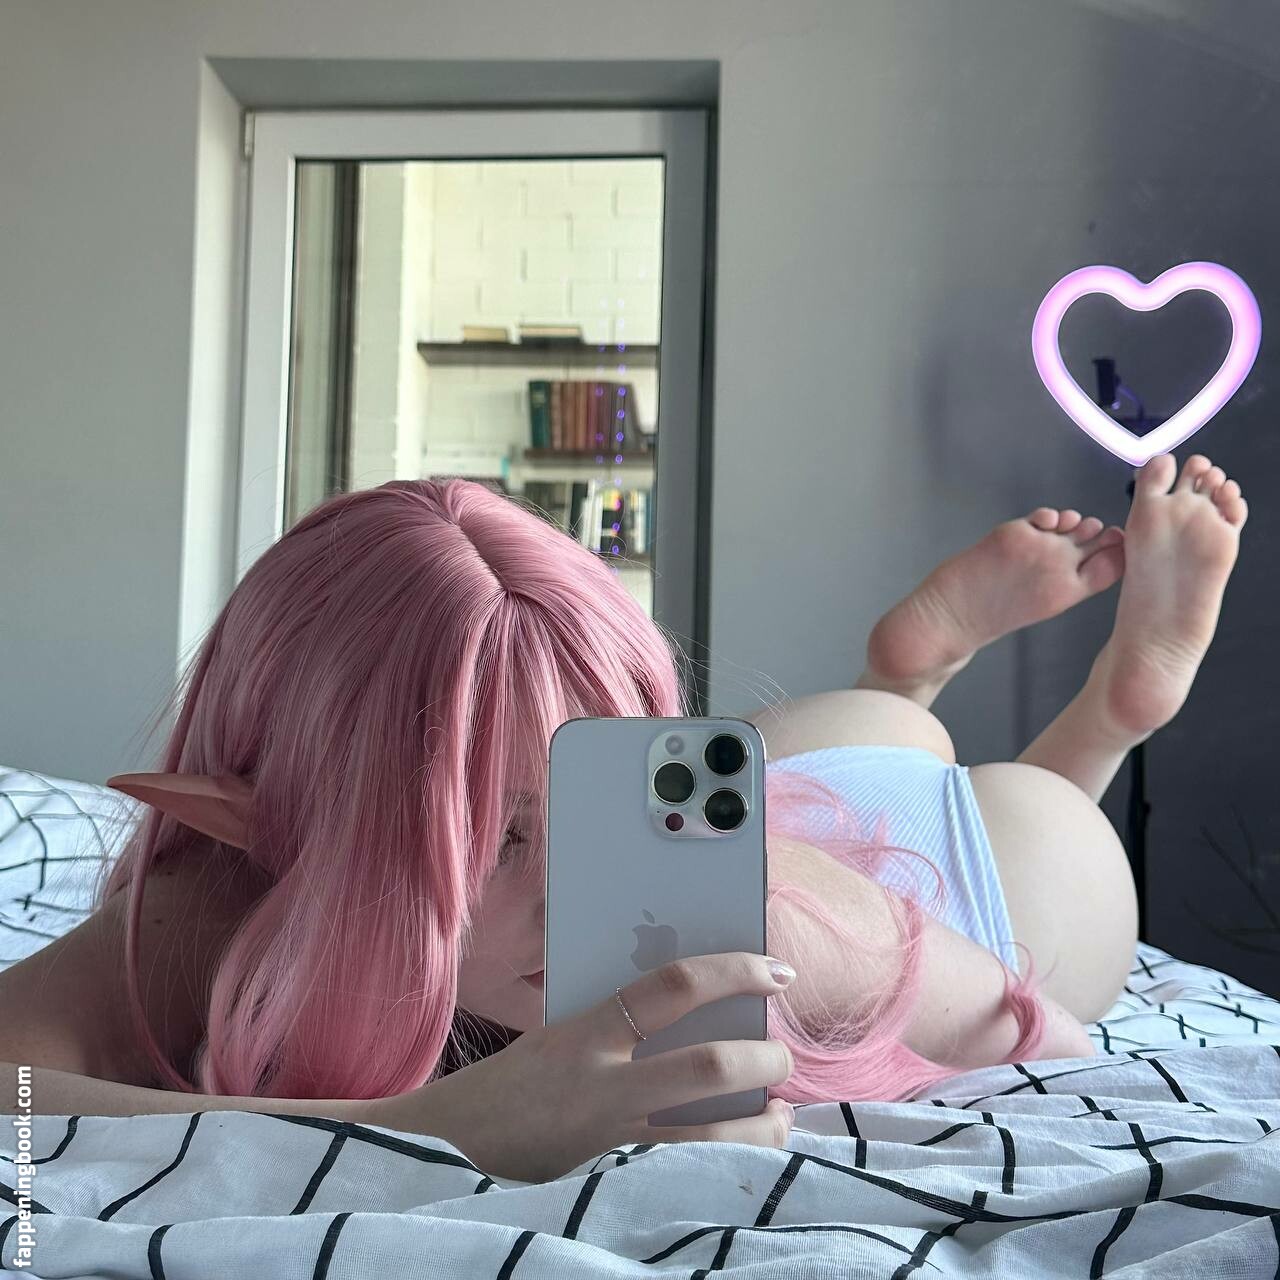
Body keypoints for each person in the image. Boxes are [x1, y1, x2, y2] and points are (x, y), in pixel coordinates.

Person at [0, 452, 1246, 1182]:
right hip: (802, 768)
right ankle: (894, 689)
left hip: (930, 869)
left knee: (1037, 864)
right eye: (489, 838)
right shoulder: (212, 899)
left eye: (611, 781)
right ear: (251, 830)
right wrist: (428, 1126)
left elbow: (1037, 1034)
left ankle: (1099, 711)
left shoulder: (769, 917)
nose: (573, 889)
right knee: (710, 781)